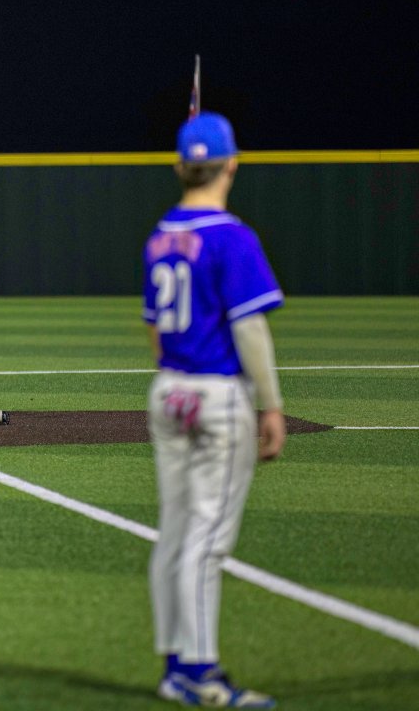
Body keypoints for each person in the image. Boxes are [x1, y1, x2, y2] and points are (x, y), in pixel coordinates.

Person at [144, 112, 286, 709]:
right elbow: (249, 327)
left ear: (180, 167)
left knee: (176, 531)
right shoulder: (232, 236)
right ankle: (200, 673)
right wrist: (272, 406)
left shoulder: (159, 236)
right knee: (206, 538)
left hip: (169, 390)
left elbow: (154, 330)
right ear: (232, 164)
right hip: (217, 394)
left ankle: (175, 665)